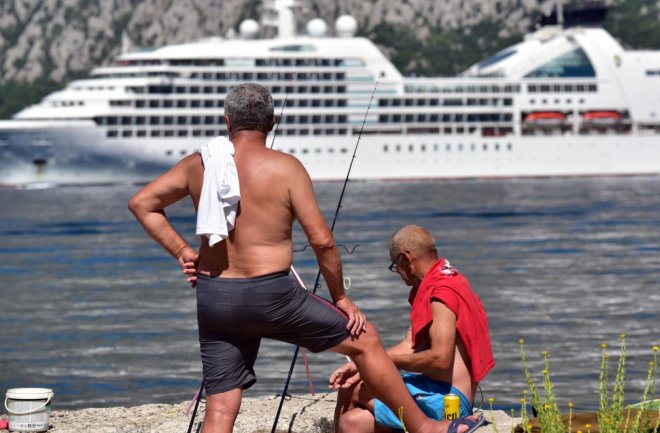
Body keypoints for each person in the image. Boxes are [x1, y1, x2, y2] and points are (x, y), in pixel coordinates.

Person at [128, 84, 480, 433]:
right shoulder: (286, 167)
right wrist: (340, 297)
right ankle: (425, 428)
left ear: (227, 122)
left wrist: (183, 252)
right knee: (366, 340)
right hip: (271, 295)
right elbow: (323, 242)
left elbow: (142, 204)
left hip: (215, 295)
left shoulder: (199, 164)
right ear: (272, 122)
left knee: (220, 407)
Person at [330, 225, 494, 433]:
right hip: (433, 390)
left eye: (395, 266)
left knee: (353, 388)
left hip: (448, 400)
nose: (398, 273)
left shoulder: (440, 294)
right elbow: (409, 345)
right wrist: (363, 364)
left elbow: (440, 358)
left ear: (406, 259)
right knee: (353, 422)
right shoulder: (440, 281)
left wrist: (375, 364)